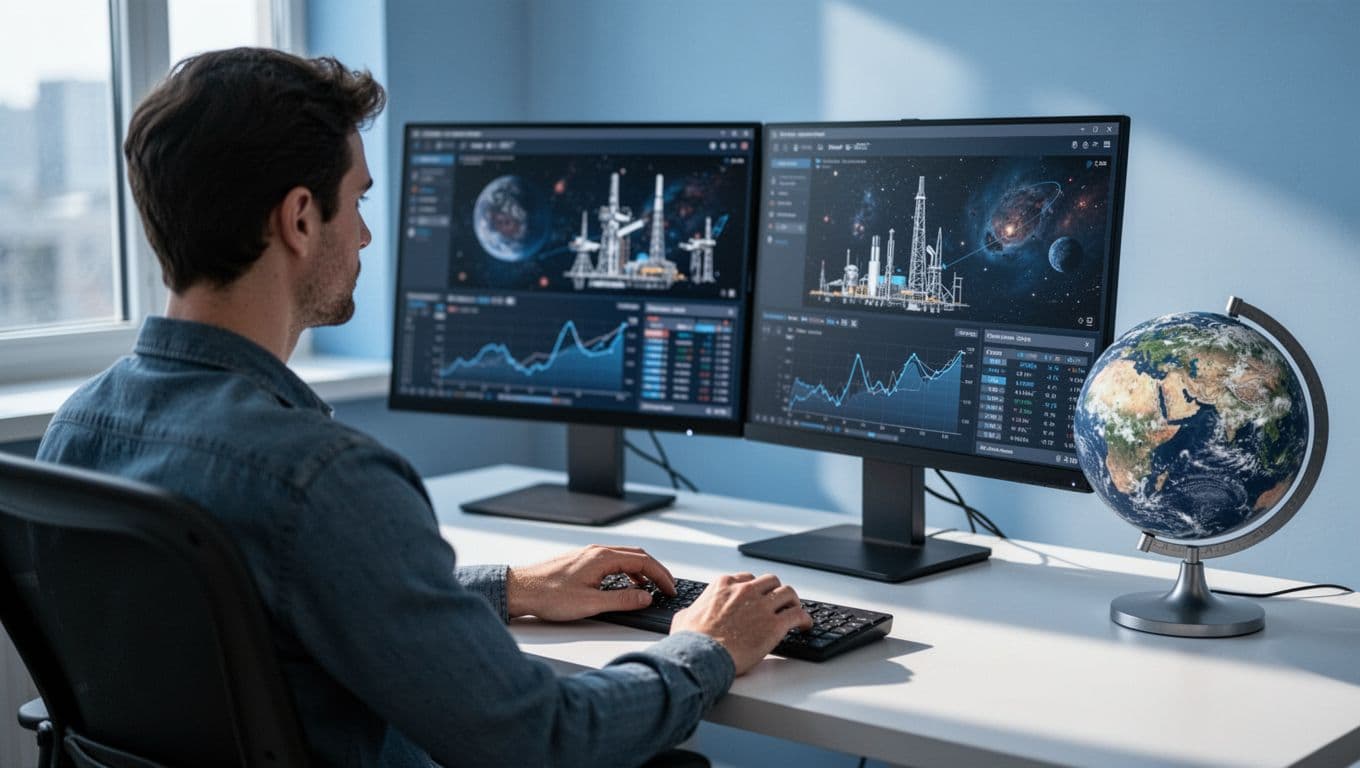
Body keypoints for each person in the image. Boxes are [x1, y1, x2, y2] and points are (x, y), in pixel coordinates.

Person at [36, 47, 812, 767]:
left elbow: (266, 616)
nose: (369, 234)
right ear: (301, 218)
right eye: (357, 200)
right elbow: (540, 740)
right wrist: (706, 646)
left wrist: (508, 586)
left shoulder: (77, 432)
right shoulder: (320, 480)